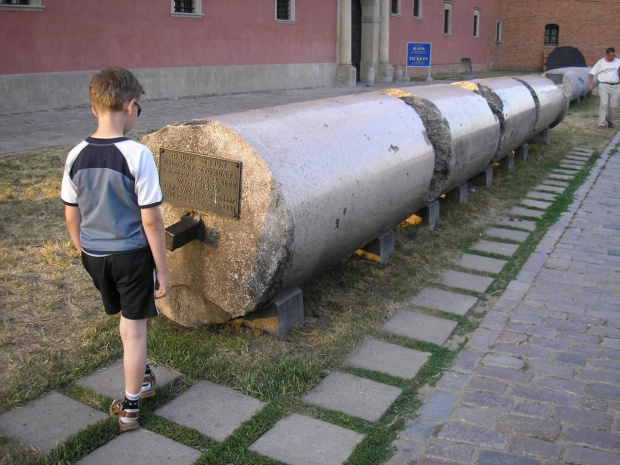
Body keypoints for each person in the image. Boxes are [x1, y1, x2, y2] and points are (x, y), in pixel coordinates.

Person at [61, 67, 169, 432]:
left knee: (127, 321)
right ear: (131, 106)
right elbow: (152, 221)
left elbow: (71, 214)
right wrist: (163, 270)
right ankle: (131, 405)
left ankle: (145, 373)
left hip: (94, 256)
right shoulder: (138, 155)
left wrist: (83, 251)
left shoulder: (75, 155)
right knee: (134, 330)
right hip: (132, 257)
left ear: (95, 108)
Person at [588, 47, 620, 129]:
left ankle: (609, 120)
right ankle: (601, 123)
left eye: (613, 56)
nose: (612, 58)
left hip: (615, 86)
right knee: (604, 104)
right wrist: (590, 84)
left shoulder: (618, 62)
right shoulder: (601, 62)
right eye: (610, 56)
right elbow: (591, 73)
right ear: (606, 54)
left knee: (614, 106)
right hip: (604, 85)